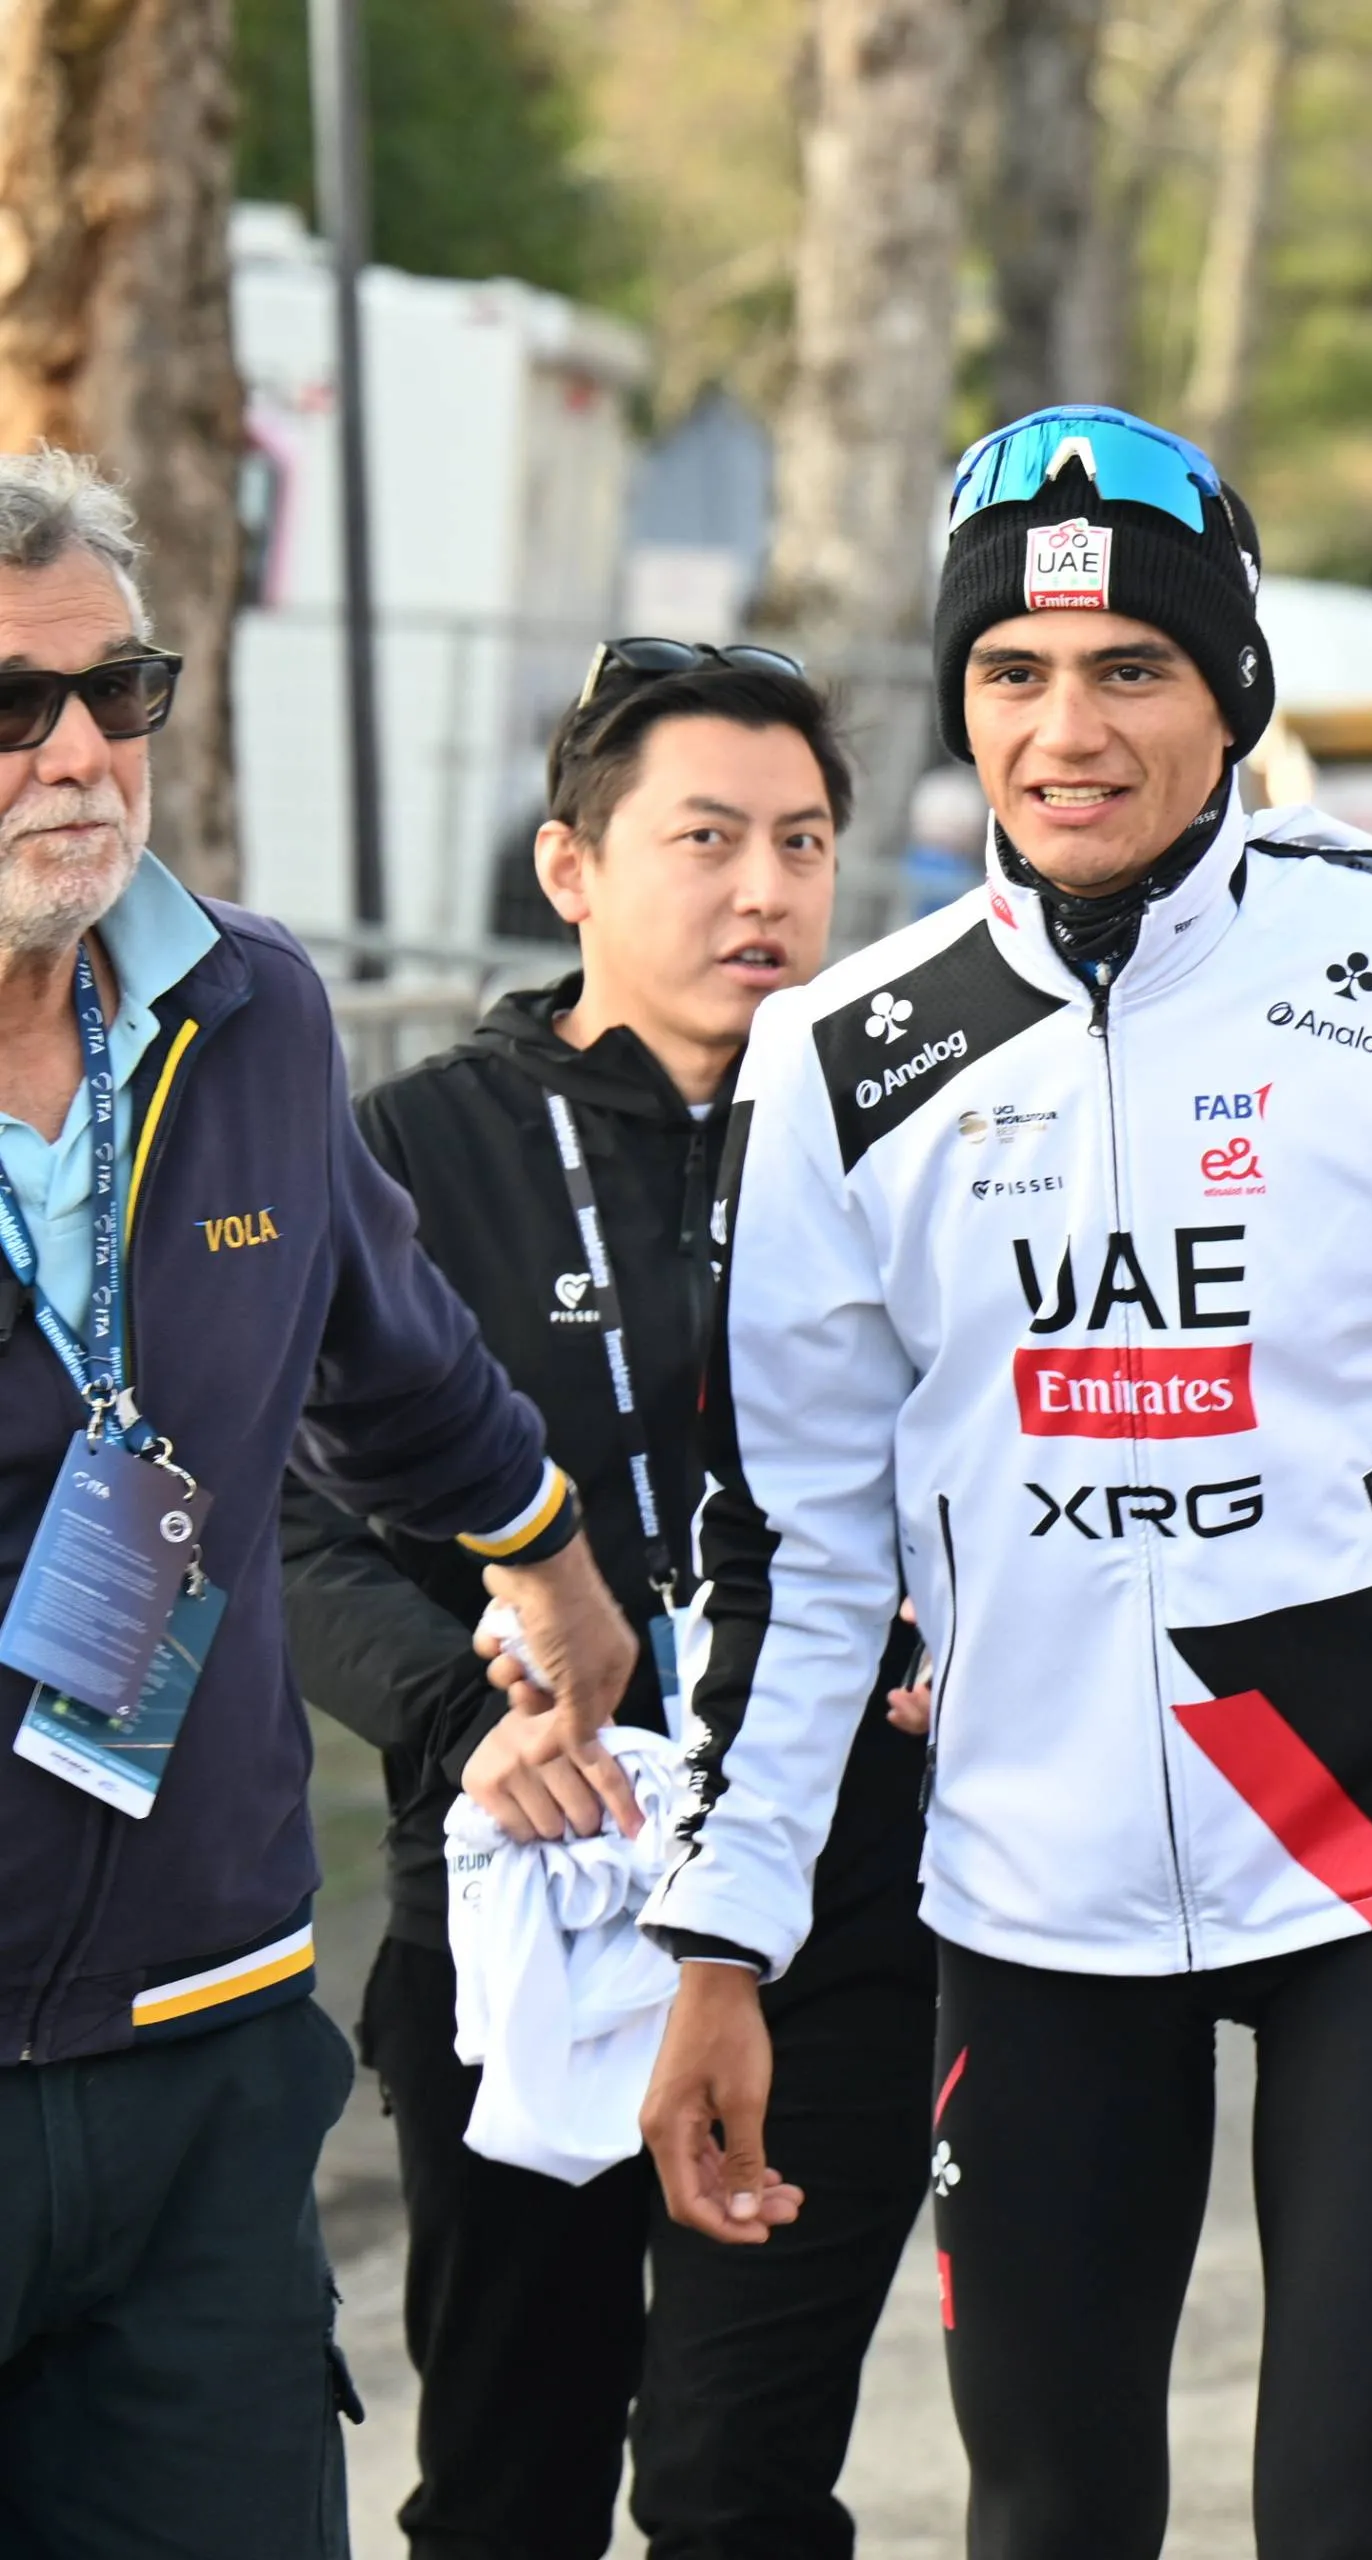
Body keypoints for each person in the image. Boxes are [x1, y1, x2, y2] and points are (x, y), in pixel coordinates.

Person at [607, 405, 1372, 2560]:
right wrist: (722, 1932)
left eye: (1133, 667)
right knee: (1044, 2514)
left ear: (1231, 696)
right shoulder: (848, 1055)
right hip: (1027, 1879)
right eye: (1012, 676)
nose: (1067, 731)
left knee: (1347, 2514)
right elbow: (795, 1549)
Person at [0, 451, 635, 2549]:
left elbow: (394, 1354)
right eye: (13, 707)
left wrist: (545, 1561)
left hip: (204, 2038)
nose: (81, 753)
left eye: (121, 692)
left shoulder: (246, 1006)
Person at [281, 644, 934, 2557]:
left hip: (833, 1910)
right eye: (708, 838)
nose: (767, 891)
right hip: (524, 1908)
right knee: (507, 2489)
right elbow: (289, 1535)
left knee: (740, 2489)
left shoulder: (907, 1139)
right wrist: (461, 1720)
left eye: (805, 843)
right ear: (571, 867)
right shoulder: (409, 1154)